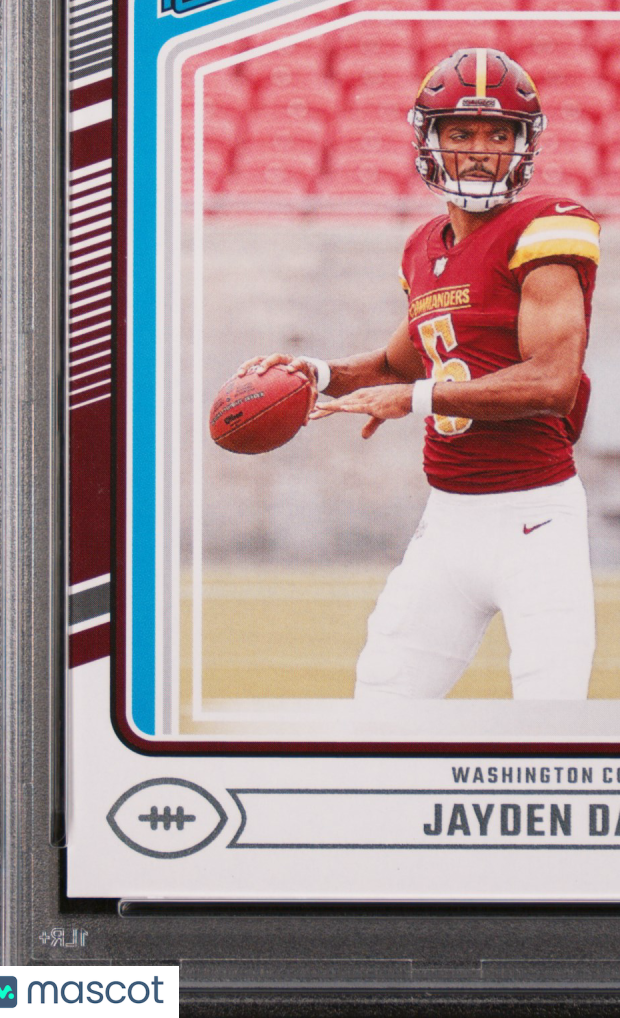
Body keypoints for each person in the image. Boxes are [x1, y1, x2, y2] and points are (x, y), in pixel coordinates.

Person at [237, 47, 600, 701]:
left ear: (525, 145)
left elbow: (553, 382)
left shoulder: (546, 226)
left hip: (535, 518)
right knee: (382, 704)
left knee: (550, 718)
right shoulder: (423, 246)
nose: (481, 151)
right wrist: (315, 372)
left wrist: (416, 399)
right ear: (429, 140)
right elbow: (396, 363)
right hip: (448, 520)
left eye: (499, 134)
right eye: (461, 133)